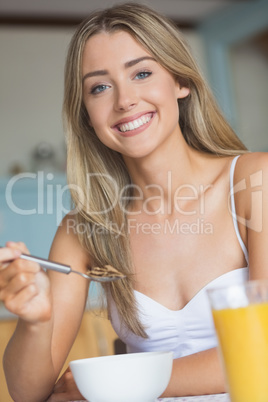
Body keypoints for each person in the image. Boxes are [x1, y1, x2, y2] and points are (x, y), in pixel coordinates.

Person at [1, 3, 268, 401]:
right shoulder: (82, 230)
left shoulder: (253, 180)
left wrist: (119, 382)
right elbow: (29, 393)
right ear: (86, 114)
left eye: (141, 73)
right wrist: (35, 321)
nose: (124, 100)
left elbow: (262, 355)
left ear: (181, 82)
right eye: (100, 87)